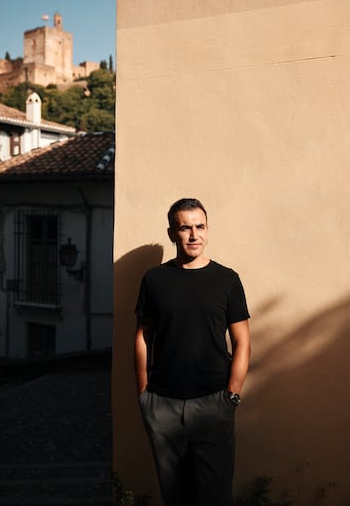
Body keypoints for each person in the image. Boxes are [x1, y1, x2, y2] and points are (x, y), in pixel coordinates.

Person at [134, 198, 250, 506]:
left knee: (214, 497)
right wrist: (144, 394)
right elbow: (143, 336)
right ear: (172, 233)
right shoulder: (154, 279)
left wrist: (232, 395)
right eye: (185, 228)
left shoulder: (227, 280)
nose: (193, 235)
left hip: (213, 402)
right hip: (163, 404)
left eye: (199, 226)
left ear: (208, 230)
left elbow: (242, 341)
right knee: (175, 497)